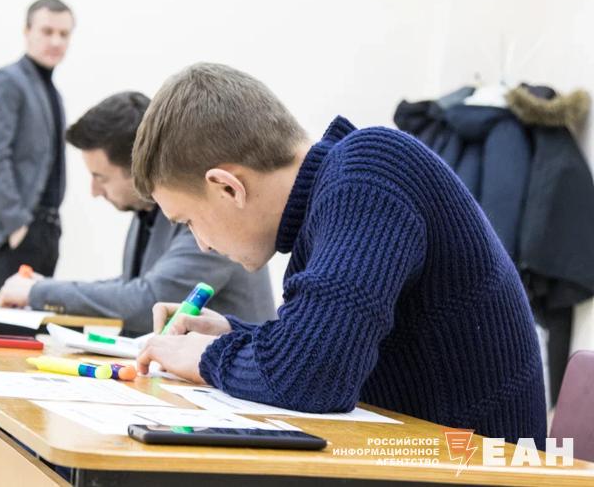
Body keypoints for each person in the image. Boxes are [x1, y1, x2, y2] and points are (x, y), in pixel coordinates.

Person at [132, 63, 547, 446]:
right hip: (431, 457)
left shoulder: (370, 173)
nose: (202, 244)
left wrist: (207, 356)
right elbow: (329, 348)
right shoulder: (337, 192)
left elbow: (314, 374)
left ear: (228, 187)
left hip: (477, 469)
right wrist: (231, 333)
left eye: (189, 221)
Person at [0, 91, 276, 336]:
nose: (94, 191)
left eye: (100, 177)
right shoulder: (145, 211)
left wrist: (38, 292)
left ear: (137, 168)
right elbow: (132, 285)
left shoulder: (205, 214)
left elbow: (149, 300)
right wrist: (47, 288)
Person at [0, 0, 75, 292]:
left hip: (45, 230)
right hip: (17, 230)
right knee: (14, 319)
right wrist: (16, 224)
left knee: (37, 317)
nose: (56, 41)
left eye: (64, 34)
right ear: (27, 31)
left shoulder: (49, 90)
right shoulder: (8, 82)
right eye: (47, 31)